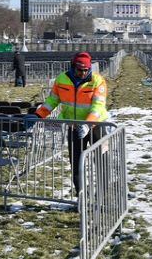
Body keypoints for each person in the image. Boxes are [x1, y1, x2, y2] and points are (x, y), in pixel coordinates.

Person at [32, 51, 108, 195]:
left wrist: (87, 124)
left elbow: (98, 106)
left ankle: (102, 195)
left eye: (86, 70)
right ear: (73, 67)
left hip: (96, 126)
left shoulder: (98, 81)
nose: (83, 73)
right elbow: (52, 100)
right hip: (73, 127)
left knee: (102, 161)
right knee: (76, 163)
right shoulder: (61, 79)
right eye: (80, 70)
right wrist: (38, 115)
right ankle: (81, 196)